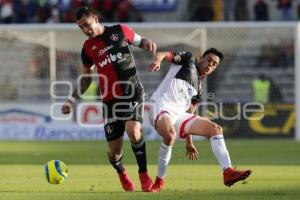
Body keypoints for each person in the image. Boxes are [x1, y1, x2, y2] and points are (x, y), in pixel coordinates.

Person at [61, 6, 157, 192]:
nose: (85, 30)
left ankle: (144, 175)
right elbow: (86, 78)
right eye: (81, 27)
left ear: (96, 18)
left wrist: (147, 43)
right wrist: (71, 100)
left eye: (87, 25)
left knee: (133, 130)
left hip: (132, 92)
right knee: (115, 151)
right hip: (110, 101)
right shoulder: (87, 48)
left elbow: (140, 41)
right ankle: (121, 172)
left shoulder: (120, 30)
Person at [147, 48, 252, 192]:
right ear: (201, 58)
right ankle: (159, 181)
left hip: (177, 115)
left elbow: (190, 113)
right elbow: (163, 53)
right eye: (209, 60)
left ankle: (227, 172)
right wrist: (157, 61)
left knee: (216, 129)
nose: (210, 65)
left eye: (214, 64)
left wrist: (189, 142)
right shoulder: (188, 60)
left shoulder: (199, 88)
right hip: (160, 106)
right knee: (170, 136)